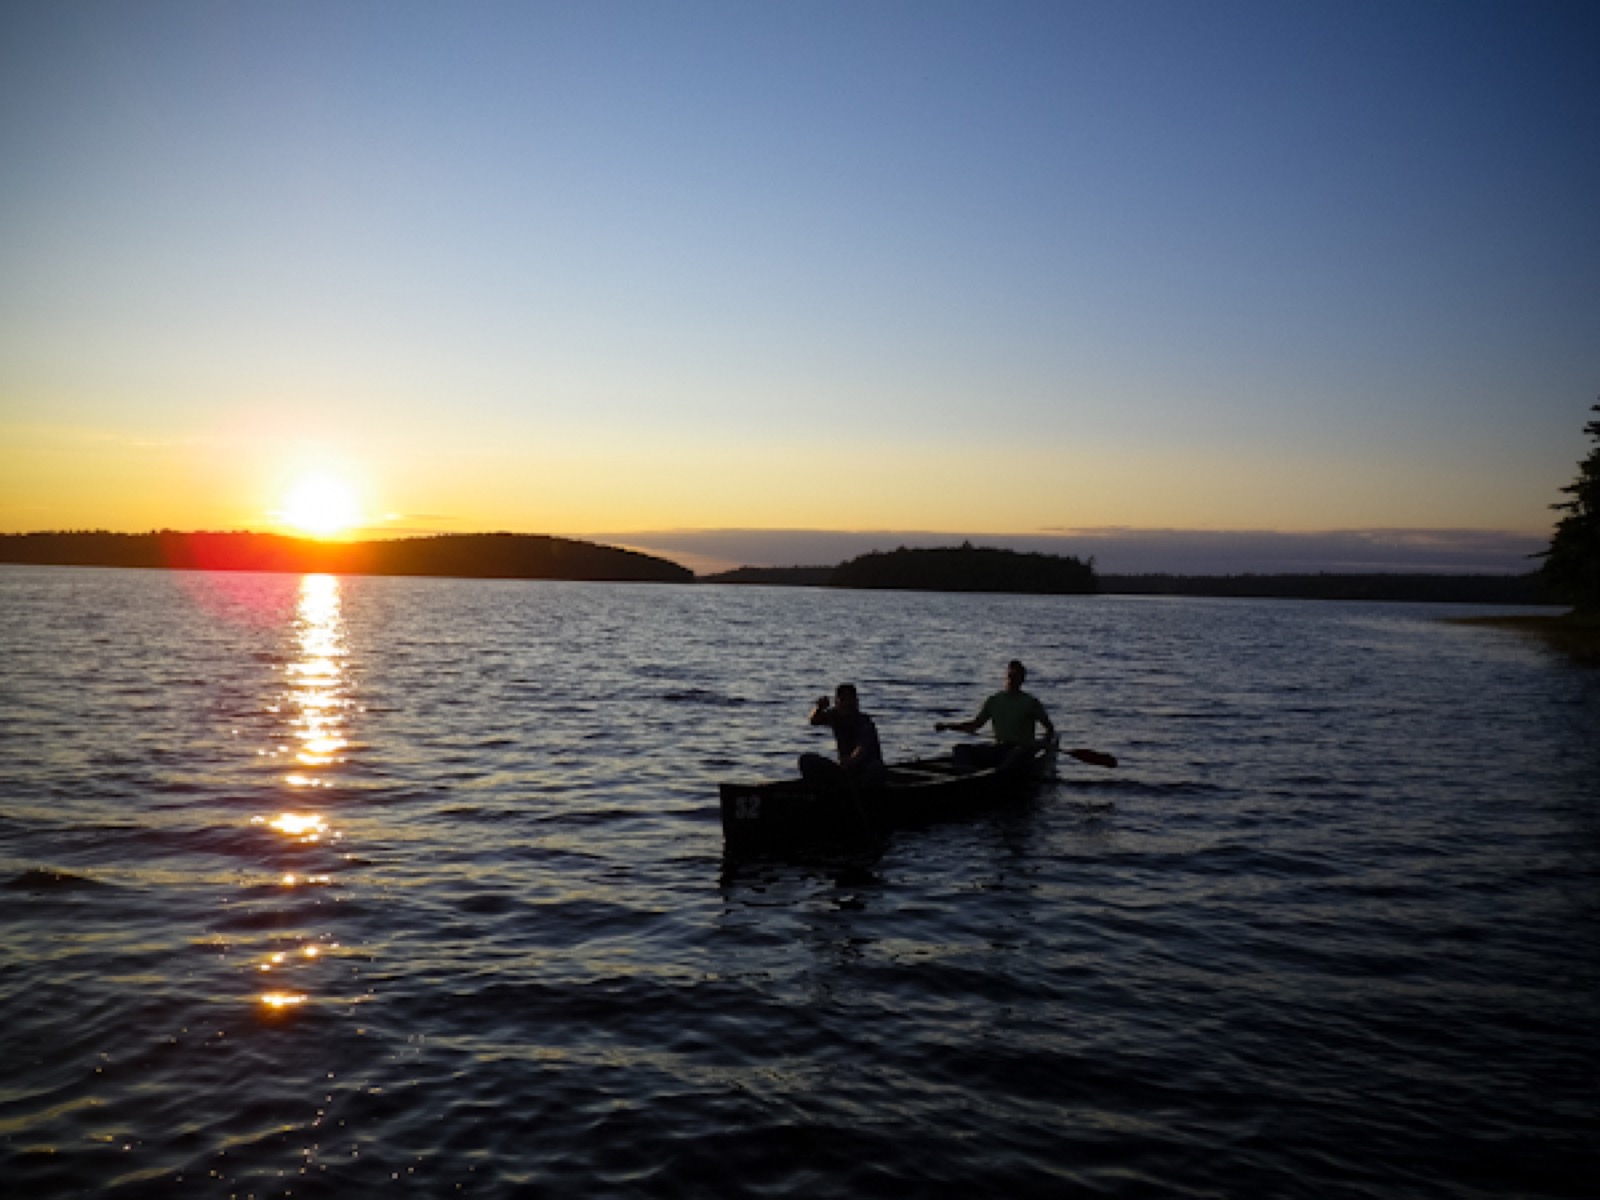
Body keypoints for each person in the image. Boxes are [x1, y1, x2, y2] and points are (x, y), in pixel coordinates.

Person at [937, 659, 1055, 765]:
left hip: (1021, 751)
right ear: (1006, 676)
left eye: (1016, 675)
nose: (1012, 678)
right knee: (960, 750)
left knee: (1014, 755)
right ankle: (968, 777)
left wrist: (1040, 744)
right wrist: (947, 726)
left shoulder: (1030, 702)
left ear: (1022, 679)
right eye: (1010, 674)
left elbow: (1049, 729)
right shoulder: (994, 700)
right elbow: (974, 725)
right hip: (999, 749)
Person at [800, 683, 887, 790]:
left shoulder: (864, 721)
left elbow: (863, 747)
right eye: (843, 700)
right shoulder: (835, 716)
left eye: (850, 699)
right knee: (807, 760)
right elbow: (814, 720)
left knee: (876, 768)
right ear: (837, 702)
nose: (847, 704)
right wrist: (819, 708)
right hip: (846, 772)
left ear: (856, 702)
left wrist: (851, 760)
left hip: (864, 770)